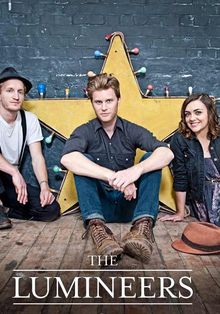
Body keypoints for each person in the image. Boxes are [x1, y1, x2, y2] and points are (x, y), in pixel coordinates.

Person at [61, 73, 174, 263]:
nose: (104, 107)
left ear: (118, 100)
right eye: (98, 102)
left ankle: (141, 229)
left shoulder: (132, 129)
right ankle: (99, 232)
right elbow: (67, 158)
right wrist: (115, 177)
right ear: (92, 103)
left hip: (131, 204)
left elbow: (167, 153)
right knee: (82, 160)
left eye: (109, 100)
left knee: (151, 159)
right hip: (100, 208)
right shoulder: (84, 131)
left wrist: (134, 172)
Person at [0, 67, 60, 230]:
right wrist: (14, 171)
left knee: (51, 210)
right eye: (10, 90)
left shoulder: (29, 119)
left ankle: (3, 209)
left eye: (20, 91)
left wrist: (44, 186)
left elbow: (37, 156)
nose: (16, 96)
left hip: (8, 183)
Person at [159, 93, 220, 226]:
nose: (192, 118)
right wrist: (180, 213)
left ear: (210, 113)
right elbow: (181, 177)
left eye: (198, 112)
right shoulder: (180, 140)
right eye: (187, 114)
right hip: (201, 199)